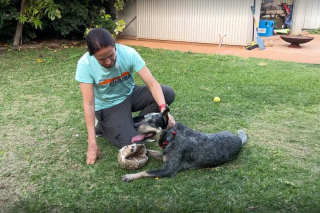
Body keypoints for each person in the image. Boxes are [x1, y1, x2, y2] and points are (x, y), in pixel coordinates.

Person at [75, 28, 176, 165]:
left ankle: (131, 124)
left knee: (167, 93)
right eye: (101, 59)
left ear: (115, 45)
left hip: (131, 94)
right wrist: (91, 143)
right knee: (135, 144)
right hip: (109, 106)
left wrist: (164, 109)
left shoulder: (128, 53)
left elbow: (153, 84)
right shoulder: (85, 64)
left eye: (111, 55)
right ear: (92, 55)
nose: (108, 62)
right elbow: (89, 104)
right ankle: (103, 127)